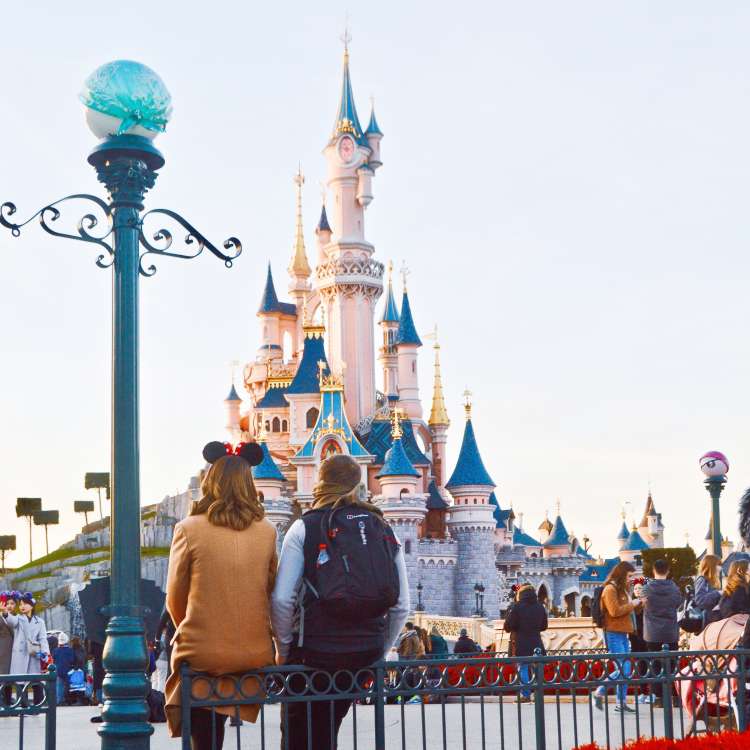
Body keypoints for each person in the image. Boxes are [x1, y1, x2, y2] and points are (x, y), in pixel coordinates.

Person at [271, 454, 409, 750]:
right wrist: (379, 650)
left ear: (321, 483)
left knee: (299, 735)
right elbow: (401, 605)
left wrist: (284, 651)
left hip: (314, 655)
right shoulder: (384, 528)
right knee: (328, 726)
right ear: (357, 484)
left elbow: (283, 599)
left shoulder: (305, 527)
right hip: (362, 655)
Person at [165, 441, 276, 750]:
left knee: (200, 713)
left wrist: (193, 628)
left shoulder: (189, 528)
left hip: (203, 652)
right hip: (254, 652)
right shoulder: (266, 531)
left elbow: (174, 599)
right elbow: (270, 589)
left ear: (209, 481)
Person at [593, 561, 642, 713]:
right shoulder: (610, 589)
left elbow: (628, 612)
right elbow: (614, 611)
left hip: (623, 633)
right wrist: (633, 604)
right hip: (613, 633)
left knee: (625, 670)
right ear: (621, 574)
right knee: (624, 669)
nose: (631, 579)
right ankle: (599, 691)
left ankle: (621, 702)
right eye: (629, 576)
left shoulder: (623, 590)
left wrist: (640, 604)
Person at [641, 559, 683, 708]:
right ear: (668, 570)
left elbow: (641, 603)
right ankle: (675, 696)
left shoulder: (647, 588)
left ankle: (659, 698)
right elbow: (678, 603)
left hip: (652, 633)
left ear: (654, 570)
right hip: (670, 632)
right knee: (672, 666)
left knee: (655, 666)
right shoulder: (674, 588)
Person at [503, 583, 548, 703]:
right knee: (537, 667)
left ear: (520, 594)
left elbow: (508, 627)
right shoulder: (540, 607)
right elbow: (544, 626)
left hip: (521, 643)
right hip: (536, 642)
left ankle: (526, 694)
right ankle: (538, 694)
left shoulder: (517, 607)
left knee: (523, 667)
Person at [9, 592, 50, 706]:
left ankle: (37, 706)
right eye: (20, 604)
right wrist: (6, 613)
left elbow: (43, 638)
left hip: (34, 654)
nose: (22, 606)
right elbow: (10, 621)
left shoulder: (40, 621)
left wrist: (45, 653)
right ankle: (23, 706)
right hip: (20, 655)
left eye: (25, 604)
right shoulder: (18, 619)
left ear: (32, 605)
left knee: (36, 682)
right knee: (20, 682)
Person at [1, 592, 18, 707]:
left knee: (10, 681)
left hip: (15, 654)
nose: (9, 606)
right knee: (3, 680)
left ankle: (8, 705)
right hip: (2, 654)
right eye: (7, 603)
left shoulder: (18, 618)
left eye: (12, 603)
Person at [694, 555, 722, 626]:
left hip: (713, 620)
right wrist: (718, 593)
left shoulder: (712, 581)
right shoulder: (702, 580)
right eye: (718, 565)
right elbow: (700, 600)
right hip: (707, 622)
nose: (720, 568)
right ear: (712, 566)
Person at [52, 633, 76, 705]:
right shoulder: (70, 650)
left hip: (58, 670)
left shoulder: (55, 650)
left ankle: (59, 701)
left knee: (59, 686)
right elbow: (72, 660)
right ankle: (67, 700)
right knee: (67, 686)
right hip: (68, 670)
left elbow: (53, 660)